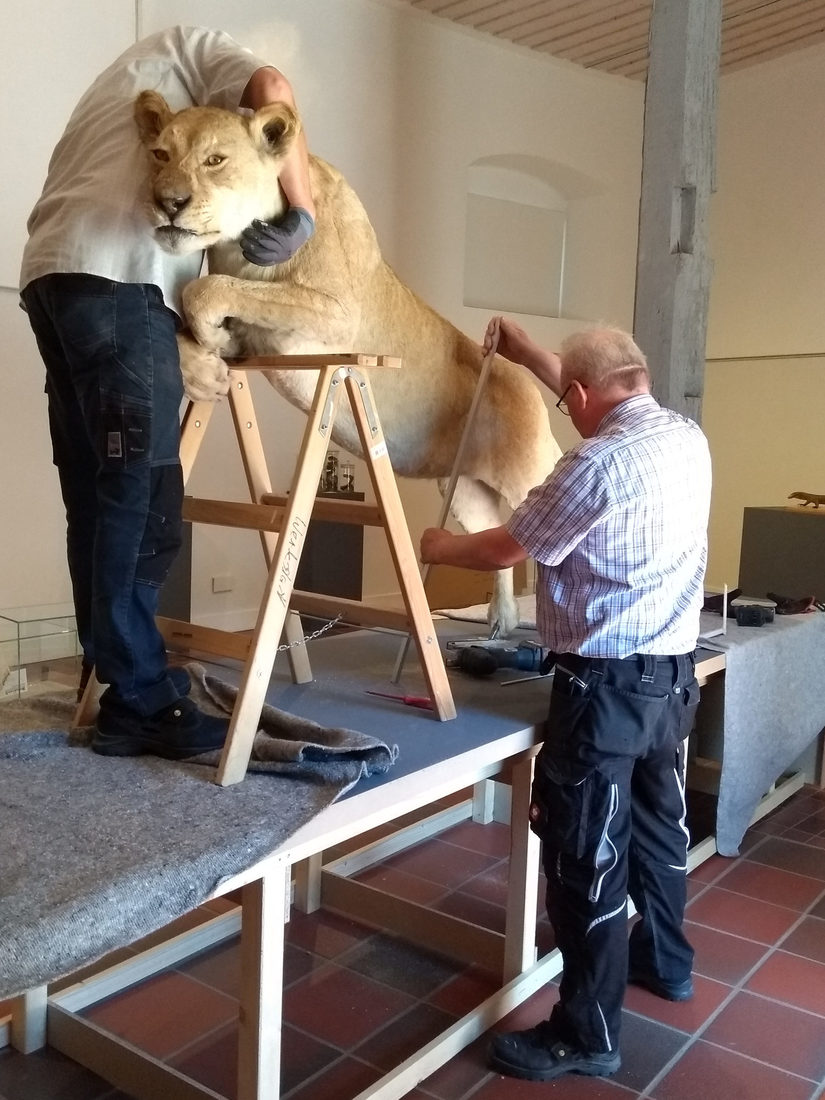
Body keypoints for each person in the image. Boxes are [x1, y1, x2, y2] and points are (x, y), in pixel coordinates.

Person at [420, 318, 711, 1083]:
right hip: (670, 683)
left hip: (604, 691)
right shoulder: (685, 437)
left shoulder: (592, 465)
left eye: (564, 400)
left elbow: (506, 546)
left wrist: (439, 547)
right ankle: (666, 963)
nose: (565, 408)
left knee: (585, 858)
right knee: (657, 832)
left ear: (579, 395)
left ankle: (587, 1033)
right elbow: (592, 388)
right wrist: (526, 354)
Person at [19, 26, 316, 760]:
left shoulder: (126, 87)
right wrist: (300, 211)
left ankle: (114, 672)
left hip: (51, 277)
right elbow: (275, 93)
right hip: (119, 278)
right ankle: (142, 701)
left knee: (94, 494)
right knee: (143, 498)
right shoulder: (199, 49)